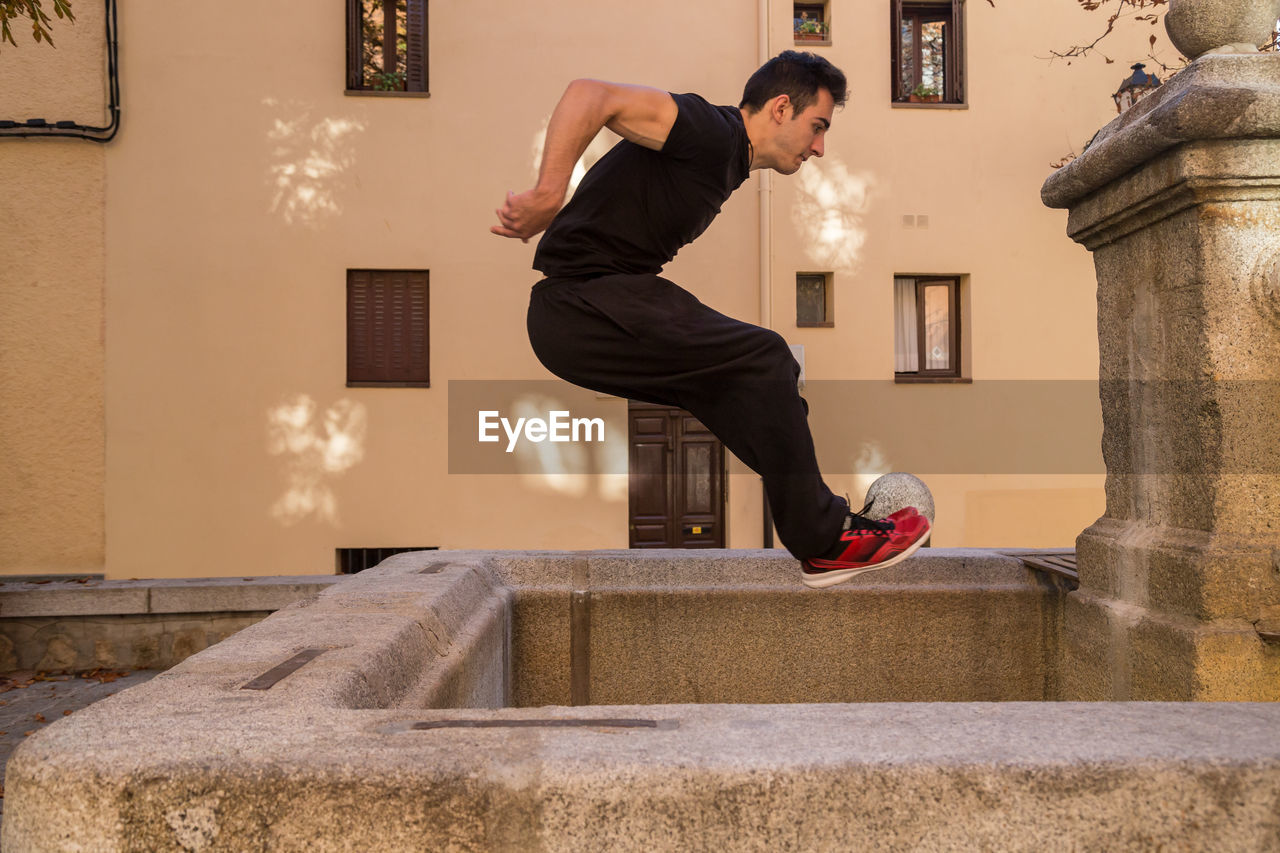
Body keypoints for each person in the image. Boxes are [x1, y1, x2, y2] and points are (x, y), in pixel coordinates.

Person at [490, 51, 930, 588]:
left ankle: (828, 529)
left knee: (757, 388)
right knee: (766, 357)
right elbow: (590, 94)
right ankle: (826, 539)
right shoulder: (711, 131)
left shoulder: (728, 161)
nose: (820, 147)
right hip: (582, 303)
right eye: (817, 127)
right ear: (781, 108)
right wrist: (548, 193)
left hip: (591, 310)